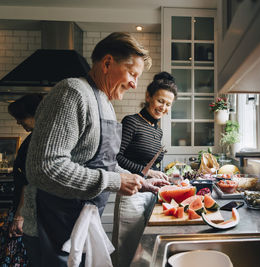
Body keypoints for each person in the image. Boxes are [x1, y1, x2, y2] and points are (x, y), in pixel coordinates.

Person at [25, 32, 169, 266]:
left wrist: (138, 179)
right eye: (132, 74)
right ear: (108, 63)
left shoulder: (105, 103)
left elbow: (105, 163)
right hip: (51, 226)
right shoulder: (72, 92)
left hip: (79, 223)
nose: (134, 83)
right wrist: (115, 181)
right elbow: (44, 167)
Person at [113, 72, 177, 267]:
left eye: (168, 104)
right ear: (148, 97)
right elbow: (117, 157)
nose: (163, 107)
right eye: (160, 101)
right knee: (126, 250)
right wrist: (146, 172)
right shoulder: (131, 122)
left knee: (144, 251)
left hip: (149, 194)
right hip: (130, 193)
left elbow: (153, 164)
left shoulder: (157, 130)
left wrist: (162, 174)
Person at [7, 93, 43, 266]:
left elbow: (29, 182)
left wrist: (19, 217)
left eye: (20, 118)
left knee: (19, 257)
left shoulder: (35, 142)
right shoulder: (37, 138)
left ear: (33, 114)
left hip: (28, 213)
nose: (18, 122)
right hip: (33, 212)